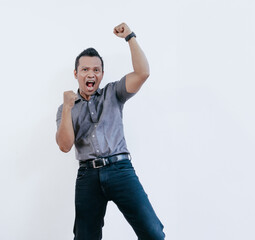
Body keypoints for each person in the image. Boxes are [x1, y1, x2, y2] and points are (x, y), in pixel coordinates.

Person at [56, 22, 165, 240]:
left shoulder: (113, 93)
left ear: (102, 74)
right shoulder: (65, 108)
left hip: (120, 169)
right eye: (85, 69)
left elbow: (143, 73)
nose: (91, 74)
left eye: (96, 70)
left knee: (153, 233)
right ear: (76, 73)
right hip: (88, 175)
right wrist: (68, 107)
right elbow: (64, 145)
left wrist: (130, 37)